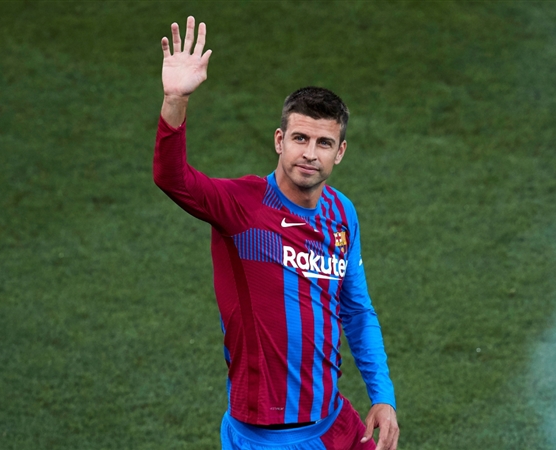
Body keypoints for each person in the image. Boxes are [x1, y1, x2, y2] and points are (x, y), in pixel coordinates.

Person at [154, 16, 399, 450]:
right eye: (300, 138)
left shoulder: (342, 213)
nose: (310, 154)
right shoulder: (242, 206)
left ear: (340, 152)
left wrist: (382, 396)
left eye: (324, 143)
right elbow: (173, 179)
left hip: (336, 424)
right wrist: (175, 100)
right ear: (279, 140)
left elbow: (356, 310)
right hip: (265, 440)